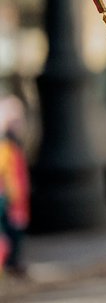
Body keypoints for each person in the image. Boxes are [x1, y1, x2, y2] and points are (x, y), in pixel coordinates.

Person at [0, 95, 30, 277]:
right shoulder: (6, 147)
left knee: (15, 231)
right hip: (8, 197)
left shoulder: (13, 147)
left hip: (15, 197)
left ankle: (13, 262)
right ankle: (10, 263)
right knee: (9, 232)